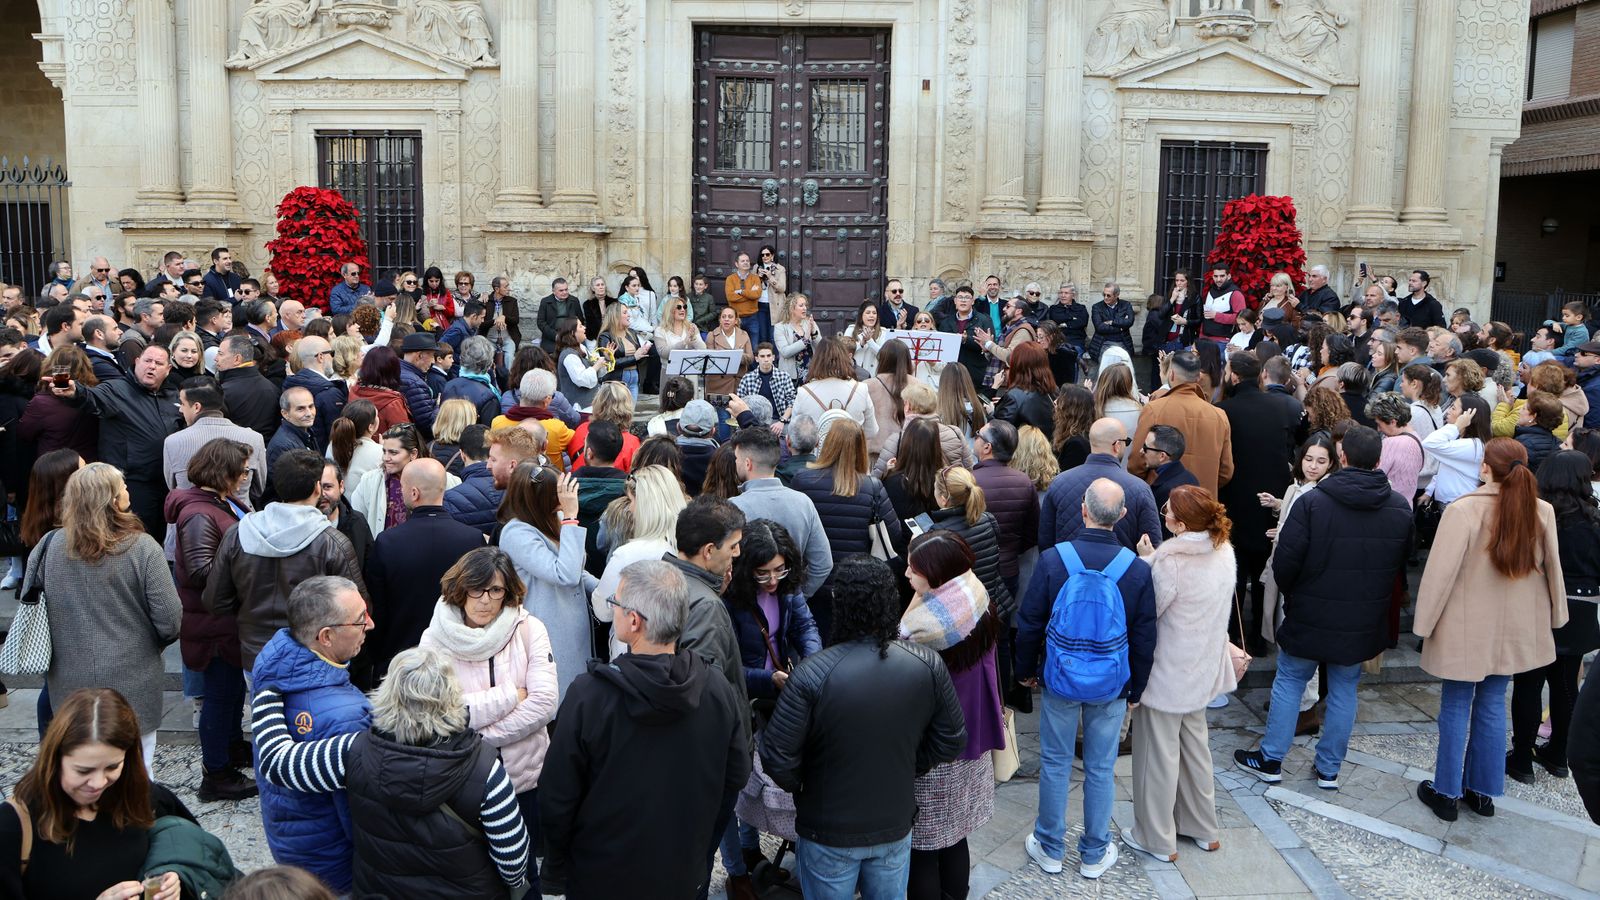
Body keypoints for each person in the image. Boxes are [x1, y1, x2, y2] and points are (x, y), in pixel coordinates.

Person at [759, 555, 966, 899]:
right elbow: (952, 739)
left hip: (828, 829)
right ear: (890, 600)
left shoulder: (813, 674)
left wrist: (808, 785)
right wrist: (909, 764)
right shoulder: (925, 664)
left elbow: (777, 757)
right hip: (893, 824)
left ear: (840, 604)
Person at [541, 560, 749, 899]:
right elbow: (735, 776)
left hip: (602, 876)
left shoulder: (589, 696)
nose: (614, 609)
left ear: (634, 620)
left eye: (616, 603)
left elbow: (557, 797)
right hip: (683, 872)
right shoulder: (715, 687)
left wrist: (555, 870)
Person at [251, 645, 531, 896]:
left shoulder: (351, 752)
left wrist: (266, 697)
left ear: (387, 692)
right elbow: (512, 858)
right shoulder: (486, 770)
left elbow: (278, 764)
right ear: (452, 696)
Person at [1235, 426, 1412, 789]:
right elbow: (1401, 560)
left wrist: (1297, 592)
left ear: (1342, 458)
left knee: (1290, 680)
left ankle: (1271, 759)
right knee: (1345, 688)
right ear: (1378, 461)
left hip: (1311, 609)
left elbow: (1286, 561)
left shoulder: (1313, 502)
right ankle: (1329, 769)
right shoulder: (1397, 506)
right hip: (1363, 614)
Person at [1414, 438, 1566, 821]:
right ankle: (1481, 792)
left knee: (1456, 704)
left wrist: (1425, 623)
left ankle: (1447, 792)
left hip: (1466, 628)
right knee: (1493, 705)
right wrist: (1557, 617)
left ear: (1486, 468)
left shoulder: (1464, 510)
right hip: (1514, 628)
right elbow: (1554, 573)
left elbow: (1440, 575)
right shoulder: (1541, 511)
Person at [1015, 478, 1156, 880]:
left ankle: (1050, 846)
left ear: (1082, 510)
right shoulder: (1134, 568)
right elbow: (1146, 635)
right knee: (1100, 766)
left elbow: (1030, 623)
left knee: (1056, 762)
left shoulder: (1054, 560)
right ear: (1123, 516)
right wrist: (1137, 687)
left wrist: (1026, 670)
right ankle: (1094, 852)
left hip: (1060, 677)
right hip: (1112, 682)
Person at [419, 547, 559, 891]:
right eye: (476, 589)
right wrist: (510, 696)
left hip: (522, 781)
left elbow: (544, 703)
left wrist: (477, 735)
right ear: (459, 589)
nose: (485, 600)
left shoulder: (529, 629)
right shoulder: (434, 639)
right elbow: (435, 715)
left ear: (507, 591)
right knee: (469, 876)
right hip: (460, 781)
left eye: (495, 590)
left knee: (524, 876)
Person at [29, 463, 182, 770]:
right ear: (113, 500)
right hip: (133, 673)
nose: (128, 491)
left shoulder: (47, 547)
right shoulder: (143, 549)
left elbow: (32, 602)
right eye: (122, 487)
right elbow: (170, 619)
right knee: (138, 768)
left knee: (77, 765)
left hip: (68, 677)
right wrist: (150, 642)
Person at [1124, 485, 1237, 861]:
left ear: (1181, 523)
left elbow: (1150, 610)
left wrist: (1146, 562)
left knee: (1157, 757)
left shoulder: (1169, 560)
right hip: (1202, 669)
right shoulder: (1224, 551)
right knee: (1195, 752)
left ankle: (1155, 837)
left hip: (1166, 672)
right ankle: (1203, 828)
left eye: (1167, 511)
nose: (1163, 515)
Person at [0, 689, 200, 900]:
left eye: (112, 767)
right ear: (54, 760)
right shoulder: (12, 826)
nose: (98, 783)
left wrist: (178, 880)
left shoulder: (143, 796)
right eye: (83, 771)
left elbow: (197, 854)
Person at [247, 577, 371, 892]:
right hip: (334, 865)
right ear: (325, 636)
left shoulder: (276, 663)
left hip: (291, 846)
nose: (370, 624)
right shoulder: (347, 718)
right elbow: (357, 819)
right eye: (359, 620)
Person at [899, 531, 1005, 900]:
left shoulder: (922, 630)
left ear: (938, 575)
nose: (907, 574)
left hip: (935, 747)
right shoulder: (976, 596)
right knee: (955, 834)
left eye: (914, 569)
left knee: (925, 844)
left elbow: (901, 650)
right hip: (972, 733)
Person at [205, 450, 366, 672]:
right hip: (314, 658)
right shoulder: (332, 542)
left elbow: (216, 600)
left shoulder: (239, 533)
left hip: (256, 657)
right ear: (317, 488)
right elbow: (357, 608)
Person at [165, 438, 258, 802]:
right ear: (224, 472)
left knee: (232, 692)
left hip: (225, 619)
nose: (247, 475)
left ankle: (233, 748)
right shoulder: (200, 513)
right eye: (243, 469)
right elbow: (202, 571)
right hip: (212, 622)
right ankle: (216, 775)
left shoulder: (218, 502)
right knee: (219, 698)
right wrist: (250, 568)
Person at [1507, 451, 1600, 784]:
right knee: (1564, 684)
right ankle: (1559, 753)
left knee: (1529, 683)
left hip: (1542, 603)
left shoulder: (1540, 514)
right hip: (1583, 607)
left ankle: (1521, 759)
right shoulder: (1594, 517)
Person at [363, 457, 486, 679]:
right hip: (458, 656)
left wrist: (377, 656)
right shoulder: (472, 539)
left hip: (400, 658)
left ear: (414, 493)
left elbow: (378, 606)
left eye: (402, 487)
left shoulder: (388, 542)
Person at [51, 342, 181, 541]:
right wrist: (74, 391)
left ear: (168, 369)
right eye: (147, 361)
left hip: (166, 483)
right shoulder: (116, 389)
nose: (152, 366)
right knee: (136, 538)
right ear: (137, 362)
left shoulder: (173, 396)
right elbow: (91, 397)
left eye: (158, 363)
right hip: (133, 483)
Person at [790, 418, 906, 635]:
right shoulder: (871, 486)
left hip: (813, 582)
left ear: (827, 444)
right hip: (855, 585)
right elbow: (893, 533)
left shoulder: (803, 481)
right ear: (861, 448)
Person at [499, 462, 598, 702]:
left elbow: (577, 569)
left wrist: (605, 590)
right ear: (538, 500)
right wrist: (572, 517)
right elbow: (565, 574)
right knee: (558, 702)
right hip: (548, 629)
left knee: (578, 698)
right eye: (557, 494)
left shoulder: (556, 518)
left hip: (571, 625)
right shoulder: (516, 534)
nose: (563, 500)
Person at [727, 426, 832, 597]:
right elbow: (823, 563)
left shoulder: (733, 508)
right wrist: (798, 596)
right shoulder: (803, 503)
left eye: (737, 458)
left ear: (748, 463)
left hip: (747, 606)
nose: (735, 463)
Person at [1040, 417, 1162, 550]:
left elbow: (1045, 540)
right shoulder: (1140, 489)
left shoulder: (1059, 482)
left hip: (1068, 568)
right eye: (1126, 442)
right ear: (1117, 445)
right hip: (1121, 569)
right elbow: (1152, 545)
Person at [1128, 350, 1233, 495]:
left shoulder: (1154, 409)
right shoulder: (1219, 415)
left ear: (1171, 374)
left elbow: (1136, 462)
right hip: (1203, 500)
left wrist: (1151, 485)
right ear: (1198, 378)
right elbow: (1225, 471)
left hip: (1163, 498)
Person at [1422, 393, 1493, 505]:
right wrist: (1430, 490)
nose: (1449, 411)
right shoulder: (1461, 439)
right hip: (1453, 502)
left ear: (1467, 416)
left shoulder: (1473, 446)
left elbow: (1429, 443)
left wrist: (1457, 426)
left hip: (1457, 504)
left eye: (1453, 408)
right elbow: (1447, 466)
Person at [993, 341, 1058, 439]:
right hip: (1047, 450)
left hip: (1024, 452)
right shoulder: (1053, 389)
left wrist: (990, 414)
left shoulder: (1014, 396)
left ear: (1017, 365)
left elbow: (998, 434)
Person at [350, 346, 413, 433]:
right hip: (382, 446)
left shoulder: (353, 390)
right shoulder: (392, 403)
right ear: (394, 370)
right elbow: (403, 438)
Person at [775, 293, 821, 381]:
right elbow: (785, 352)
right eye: (801, 305)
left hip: (812, 374)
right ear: (792, 309)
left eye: (805, 305)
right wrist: (805, 340)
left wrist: (814, 333)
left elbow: (821, 347)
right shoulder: (780, 327)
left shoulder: (810, 323)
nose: (805, 308)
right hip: (790, 376)